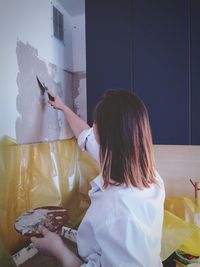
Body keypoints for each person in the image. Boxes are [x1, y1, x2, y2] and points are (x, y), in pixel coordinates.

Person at [31, 90, 165, 267]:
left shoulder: (119, 213)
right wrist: (63, 107)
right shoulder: (148, 175)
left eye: (96, 122)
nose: (92, 126)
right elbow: (84, 135)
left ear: (106, 136)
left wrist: (58, 250)